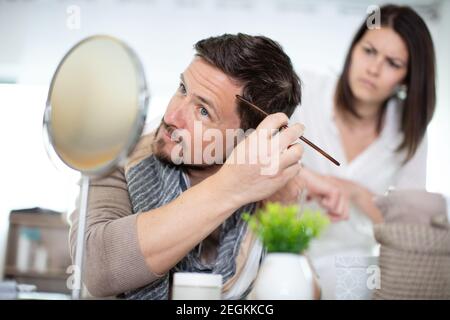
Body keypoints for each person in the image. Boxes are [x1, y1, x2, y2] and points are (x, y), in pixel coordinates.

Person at [69, 33, 348, 300]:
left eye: (203, 111)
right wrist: (231, 187)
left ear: (248, 140)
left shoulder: (273, 191)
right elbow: (97, 267)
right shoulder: (118, 155)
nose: (171, 115)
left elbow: (307, 292)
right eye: (182, 89)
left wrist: (283, 225)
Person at [289, 5, 436, 299]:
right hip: (284, 249)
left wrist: (355, 192)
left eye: (393, 63)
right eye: (369, 51)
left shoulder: (410, 132)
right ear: (353, 48)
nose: (374, 69)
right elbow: (253, 156)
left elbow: (408, 228)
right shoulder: (304, 91)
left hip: (353, 265)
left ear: (408, 78)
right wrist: (305, 178)